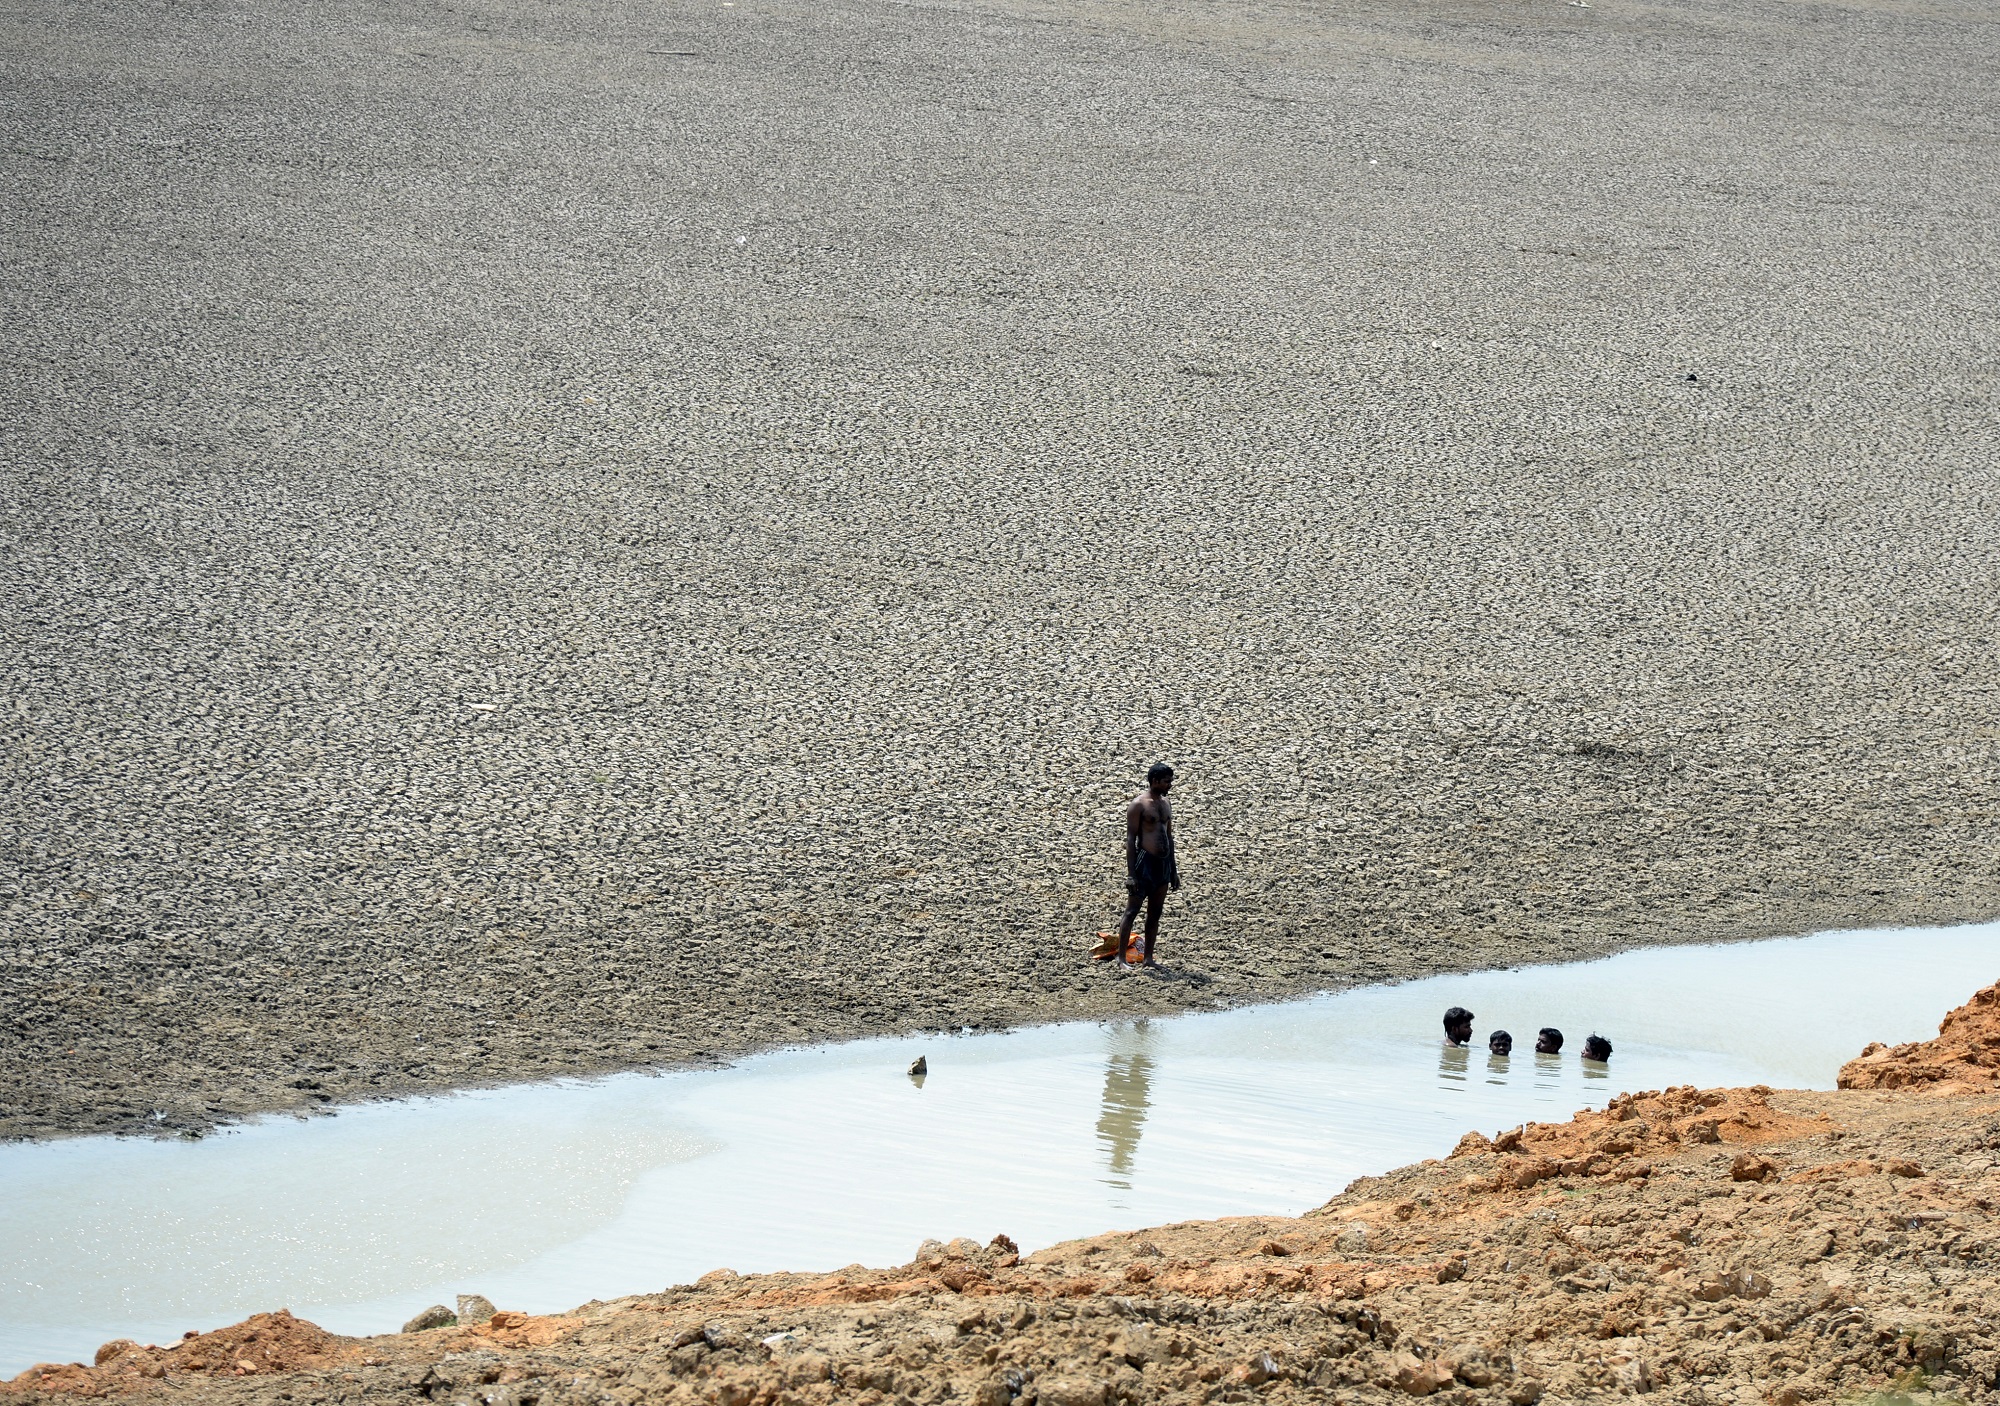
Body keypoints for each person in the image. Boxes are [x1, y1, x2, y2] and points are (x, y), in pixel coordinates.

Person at [1114, 763, 1179, 966]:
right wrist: (1131, 874)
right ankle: (1121, 958)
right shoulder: (1139, 805)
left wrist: (1174, 871)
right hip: (1145, 863)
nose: (1170, 784)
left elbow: (1169, 837)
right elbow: (1130, 840)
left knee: (1155, 913)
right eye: (1167, 781)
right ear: (1155, 781)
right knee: (1132, 911)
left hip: (1163, 865)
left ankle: (1148, 958)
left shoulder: (1166, 803)